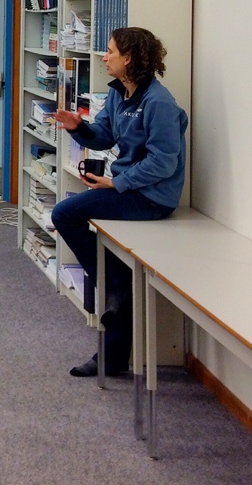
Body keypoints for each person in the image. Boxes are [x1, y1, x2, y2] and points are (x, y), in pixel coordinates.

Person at [51, 26, 187, 377]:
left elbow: (163, 162)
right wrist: (76, 127)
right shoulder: (118, 93)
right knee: (118, 267)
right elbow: (104, 136)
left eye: (110, 51)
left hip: (152, 198)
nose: (104, 56)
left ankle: (113, 291)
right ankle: (111, 357)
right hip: (128, 190)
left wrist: (117, 182)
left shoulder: (158, 102)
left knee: (64, 213)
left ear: (130, 58)